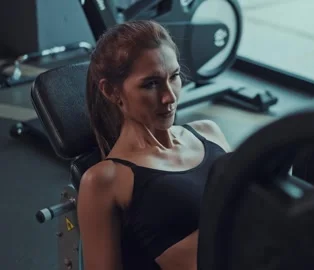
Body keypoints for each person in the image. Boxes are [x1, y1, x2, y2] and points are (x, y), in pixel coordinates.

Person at [78, 20, 231, 270]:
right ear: (111, 91)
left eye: (174, 77)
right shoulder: (104, 180)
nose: (169, 96)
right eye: (151, 83)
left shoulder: (209, 132)